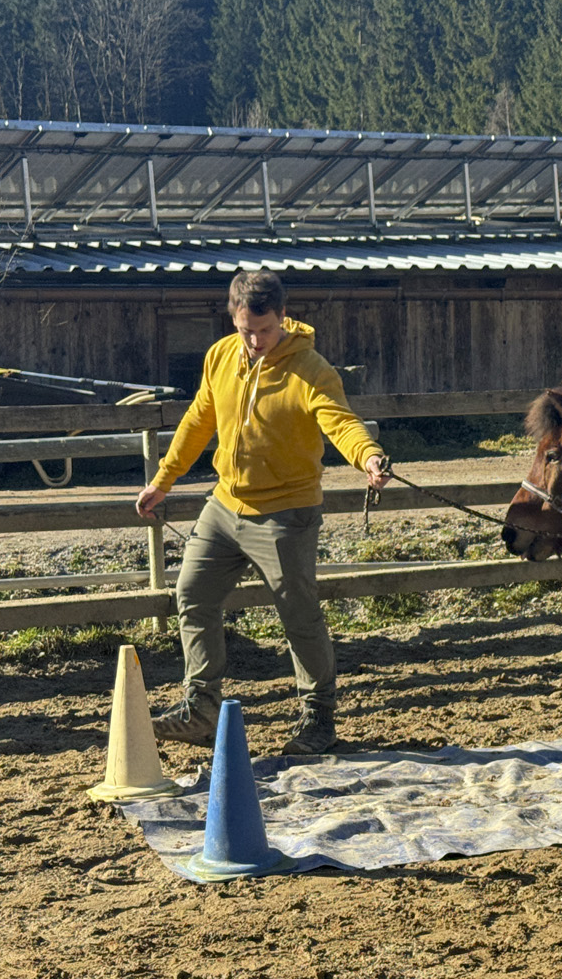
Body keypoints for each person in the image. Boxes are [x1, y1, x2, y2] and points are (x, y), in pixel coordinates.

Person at [136, 269, 389, 753]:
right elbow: (198, 420)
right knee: (192, 592)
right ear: (233, 319)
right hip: (225, 504)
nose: (254, 341)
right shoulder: (220, 356)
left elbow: (341, 422)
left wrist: (369, 457)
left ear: (283, 317)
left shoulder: (311, 370)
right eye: (245, 330)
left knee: (299, 616)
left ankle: (318, 719)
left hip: (286, 513)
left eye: (265, 330)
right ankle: (201, 709)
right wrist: (163, 481)